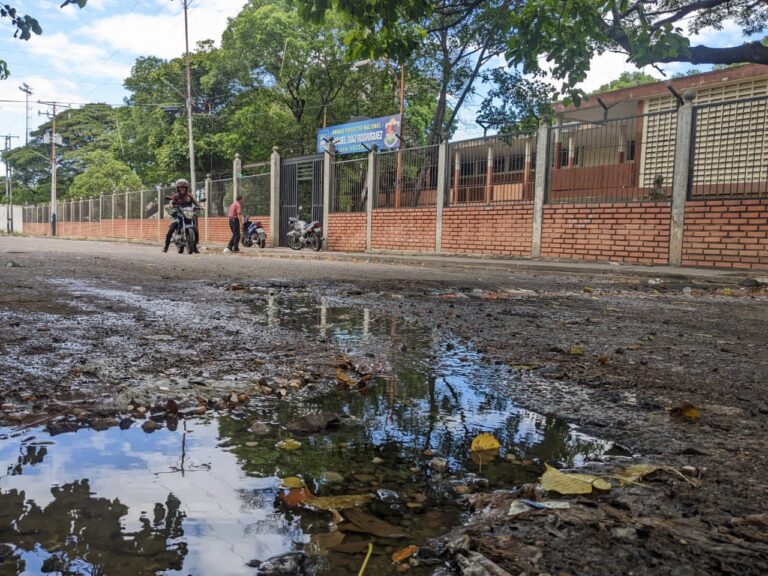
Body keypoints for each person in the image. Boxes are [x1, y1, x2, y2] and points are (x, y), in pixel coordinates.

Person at [163, 178, 201, 253]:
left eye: (183, 187)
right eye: (180, 187)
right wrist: (171, 205)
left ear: (186, 188)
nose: (182, 189)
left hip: (188, 214)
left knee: (196, 230)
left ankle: (194, 247)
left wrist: (199, 207)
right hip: (178, 214)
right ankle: (166, 246)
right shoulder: (175, 196)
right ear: (178, 188)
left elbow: (195, 202)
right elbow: (172, 203)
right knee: (171, 230)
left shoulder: (189, 196)